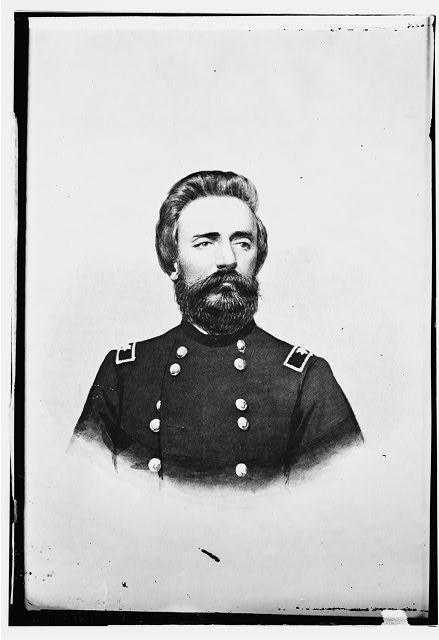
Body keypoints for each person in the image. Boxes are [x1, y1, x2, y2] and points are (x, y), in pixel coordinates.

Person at [71, 170, 363, 486]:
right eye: (205, 243)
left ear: (258, 258)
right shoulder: (125, 372)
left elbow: (337, 502)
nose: (227, 259)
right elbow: (81, 496)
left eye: (242, 243)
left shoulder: (304, 378)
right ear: (172, 261)